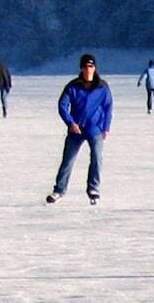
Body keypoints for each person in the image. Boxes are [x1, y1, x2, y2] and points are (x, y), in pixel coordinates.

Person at [46, 55, 113, 205]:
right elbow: (62, 106)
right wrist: (70, 123)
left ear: (95, 68)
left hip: (95, 128)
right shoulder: (73, 86)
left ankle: (93, 189)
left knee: (97, 158)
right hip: (76, 129)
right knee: (68, 160)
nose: (89, 70)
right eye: (86, 67)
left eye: (91, 67)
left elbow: (108, 107)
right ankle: (59, 190)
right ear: (81, 69)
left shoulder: (102, 87)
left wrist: (106, 127)